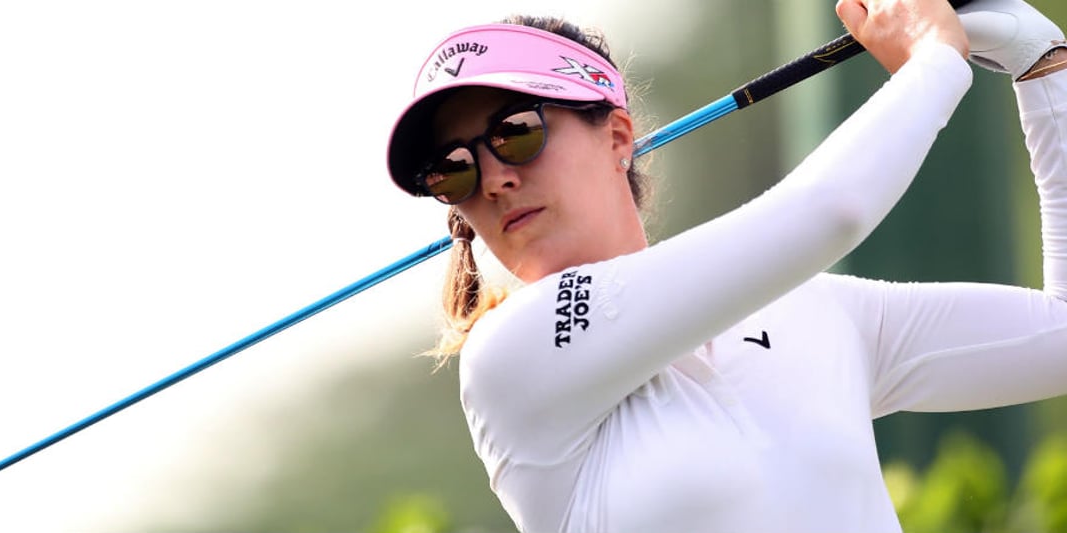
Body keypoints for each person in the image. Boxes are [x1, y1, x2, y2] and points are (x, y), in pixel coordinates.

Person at [383, 0, 1067, 531]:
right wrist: (933, 62)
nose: (494, 179)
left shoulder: (815, 311)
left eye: (515, 133)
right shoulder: (511, 354)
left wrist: (1041, 62)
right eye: (454, 170)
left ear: (617, 135)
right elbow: (829, 211)